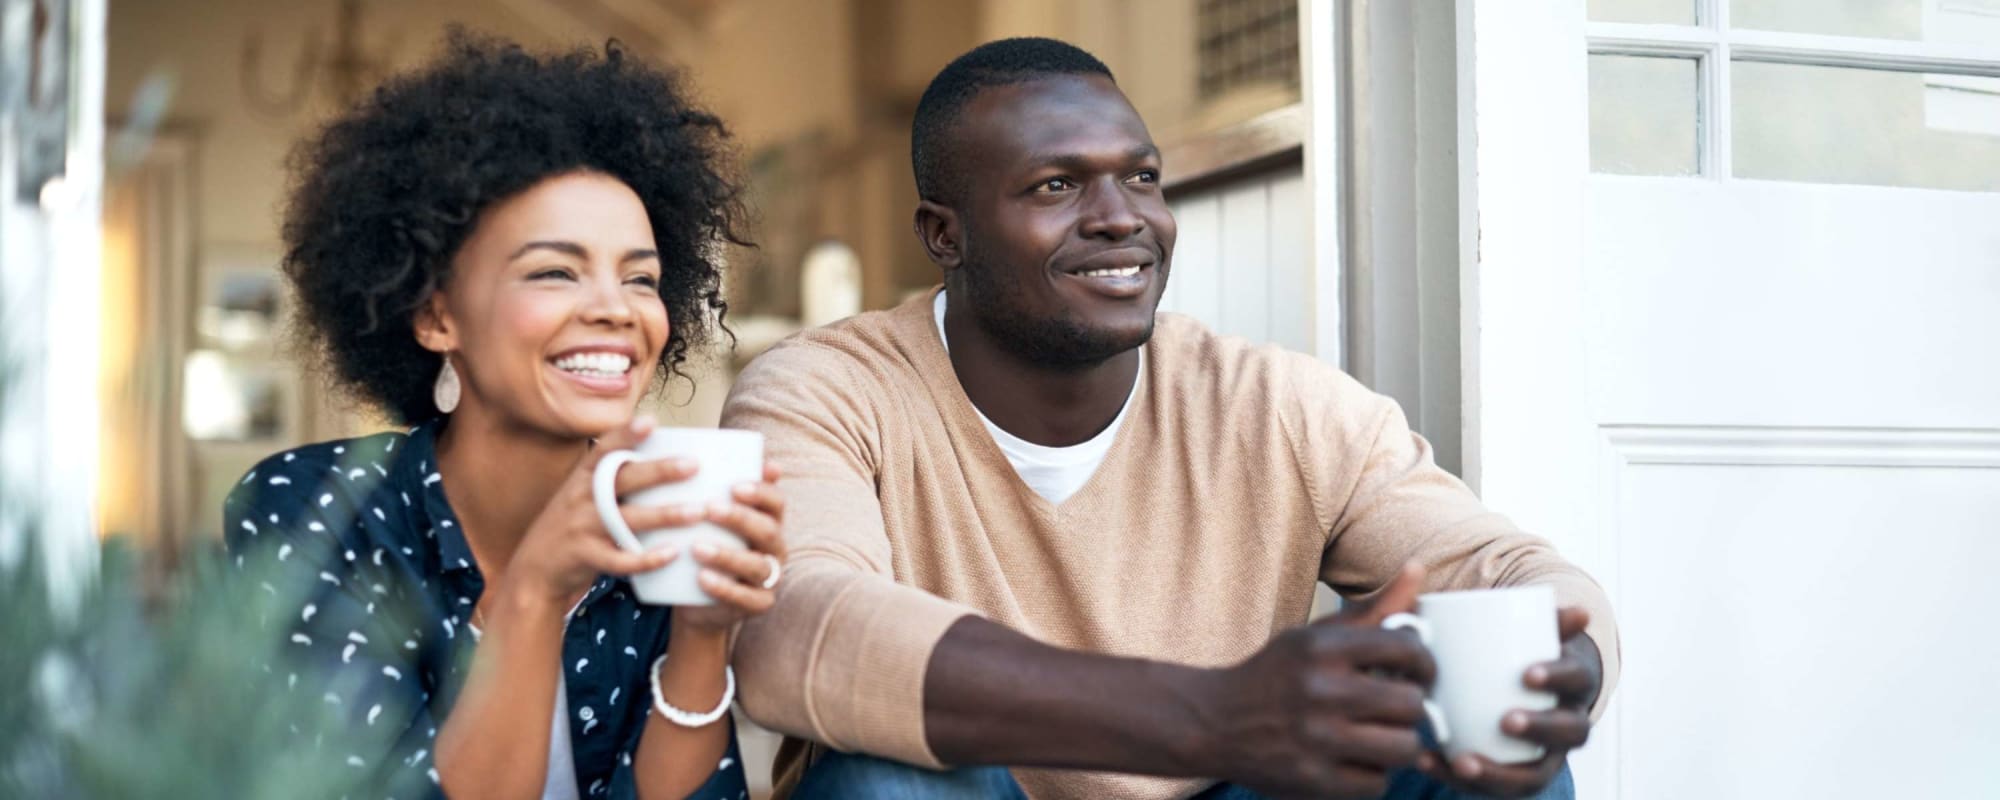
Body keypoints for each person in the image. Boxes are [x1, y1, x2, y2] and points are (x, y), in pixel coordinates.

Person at [722, 37, 1617, 800]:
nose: (1122, 219)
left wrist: (1565, 663)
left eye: (1141, 178)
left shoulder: (1278, 406)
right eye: (1055, 186)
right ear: (944, 234)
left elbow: (1507, 568)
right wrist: (1214, 715)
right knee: (890, 776)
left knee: (1482, 750)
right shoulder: (822, 390)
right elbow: (795, 628)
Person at [223, 33, 785, 800]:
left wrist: (700, 633)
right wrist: (533, 589)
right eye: (555, 271)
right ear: (434, 316)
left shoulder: (653, 524)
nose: (615, 309)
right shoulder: (316, 509)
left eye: (641, 279)